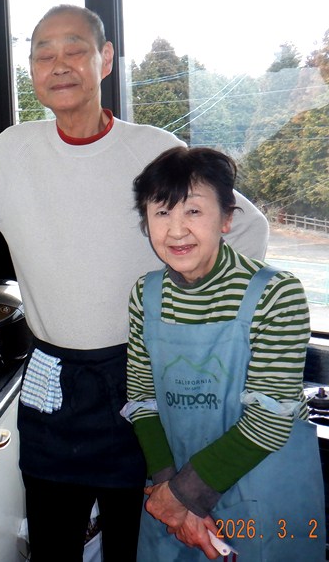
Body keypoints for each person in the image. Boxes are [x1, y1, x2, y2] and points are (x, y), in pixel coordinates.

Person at [0, 5, 269, 560]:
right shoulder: (14, 151)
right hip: (51, 377)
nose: (59, 65)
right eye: (44, 54)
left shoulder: (152, 149)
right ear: (32, 70)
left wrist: (202, 313)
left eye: (74, 50)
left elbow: (245, 226)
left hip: (141, 378)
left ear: (104, 60)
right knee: (52, 543)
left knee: (138, 545)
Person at [122, 146, 325, 560]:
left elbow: (269, 421)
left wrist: (180, 497)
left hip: (263, 497)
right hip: (173, 491)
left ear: (227, 218)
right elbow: (142, 401)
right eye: (162, 212)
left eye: (194, 211)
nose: (176, 230)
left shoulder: (276, 294)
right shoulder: (146, 295)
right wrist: (170, 497)